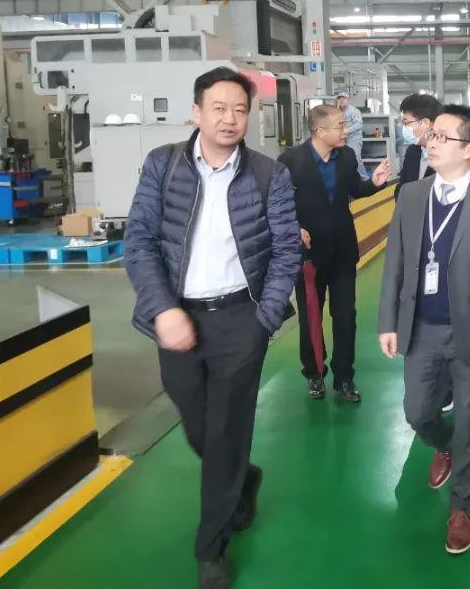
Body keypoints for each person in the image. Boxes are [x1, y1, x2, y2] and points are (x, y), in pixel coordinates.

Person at [125, 67, 301, 589]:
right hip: (178, 316)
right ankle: (244, 476)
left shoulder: (269, 175)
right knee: (199, 424)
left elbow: (286, 251)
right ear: (197, 112)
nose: (229, 119)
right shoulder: (163, 165)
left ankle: (211, 547)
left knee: (225, 431)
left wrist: (265, 320)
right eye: (219, 108)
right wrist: (162, 309)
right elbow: (139, 240)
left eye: (240, 110)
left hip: (242, 319)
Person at [377, 104, 470, 555]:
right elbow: (395, 263)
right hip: (420, 328)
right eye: (432, 135)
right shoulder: (411, 196)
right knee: (417, 411)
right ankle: (445, 445)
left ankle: (463, 507)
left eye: (443, 137)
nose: (431, 143)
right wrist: (388, 321)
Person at [279, 105, 392, 403]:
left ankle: (344, 377)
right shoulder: (291, 161)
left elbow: (356, 188)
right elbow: (277, 203)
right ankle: (314, 373)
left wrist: (374, 183)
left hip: (342, 251)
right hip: (309, 255)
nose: (346, 131)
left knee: (345, 317)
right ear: (319, 131)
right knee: (311, 318)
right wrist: (293, 227)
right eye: (340, 126)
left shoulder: (347, 157)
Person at [397, 93, 443, 195]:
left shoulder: (451, 154)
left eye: (406, 123)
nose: (404, 128)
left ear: (425, 123)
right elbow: (402, 188)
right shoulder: (412, 151)